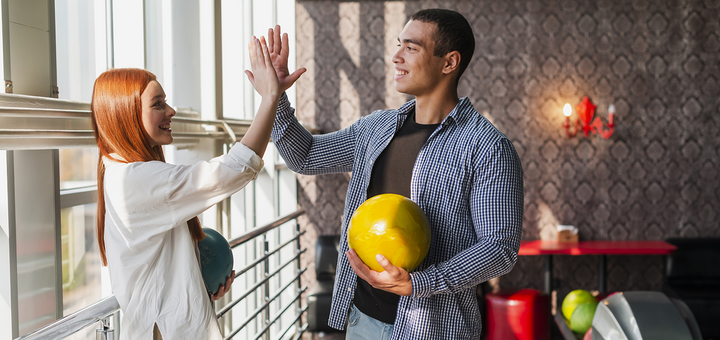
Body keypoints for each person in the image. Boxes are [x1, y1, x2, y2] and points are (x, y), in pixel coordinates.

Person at [266, 8, 524, 340]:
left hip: (435, 330)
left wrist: (419, 283)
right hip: (363, 319)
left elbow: (499, 249)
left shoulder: (488, 146)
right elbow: (306, 156)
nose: (396, 57)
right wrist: (276, 97)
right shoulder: (376, 128)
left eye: (411, 48)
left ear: (449, 62)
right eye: (399, 44)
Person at [91, 36, 302, 339]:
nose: (171, 111)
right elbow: (234, 169)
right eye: (158, 104)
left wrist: (198, 285)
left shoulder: (118, 173)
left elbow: (157, 269)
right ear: (126, 115)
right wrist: (270, 97)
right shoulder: (133, 181)